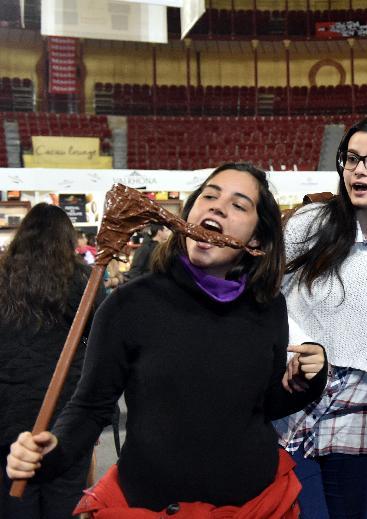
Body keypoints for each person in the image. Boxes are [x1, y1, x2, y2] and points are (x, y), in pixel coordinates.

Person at [6, 163, 329, 517]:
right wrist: (54, 450)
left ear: (256, 238)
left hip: (257, 503)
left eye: (238, 205)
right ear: (188, 215)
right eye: (209, 195)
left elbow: (263, 405)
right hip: (150, 505)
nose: (217, 206)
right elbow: (90, 407)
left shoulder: (268, 306)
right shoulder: (129, 304)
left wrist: (304, 384)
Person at [273, 116, 367, 518]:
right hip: (293, 400)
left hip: (357, 411)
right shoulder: (310, 224)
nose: (360, 170)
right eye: (352, 158)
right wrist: (297, 346)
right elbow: (268, 295)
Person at [0, 204, 95, 519]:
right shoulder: (83, 279)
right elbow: (96, 340)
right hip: (64, 411)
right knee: (64, 499)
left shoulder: (1, 276)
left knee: (15, 497)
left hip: (9, 410)